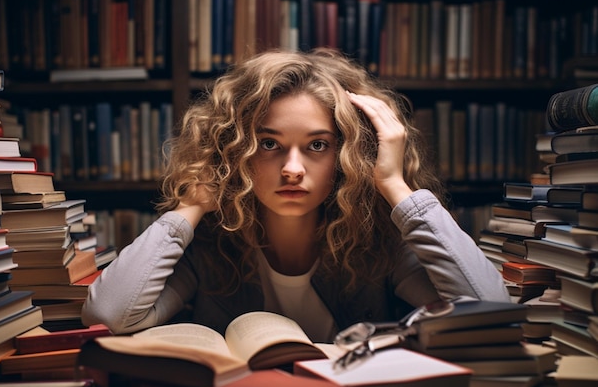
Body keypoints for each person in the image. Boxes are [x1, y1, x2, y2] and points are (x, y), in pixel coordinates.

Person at [82, 48, 509, 343]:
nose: (292, 168)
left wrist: (395, 185)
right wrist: (191, 206)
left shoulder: (377, 243)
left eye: (317, 145)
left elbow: (491, 311)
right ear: (236, 151)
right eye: (269, 144)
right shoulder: (210, 244)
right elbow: (108, 316)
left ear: (350, 153)